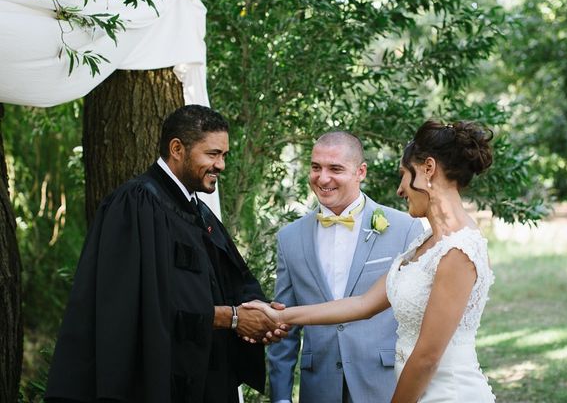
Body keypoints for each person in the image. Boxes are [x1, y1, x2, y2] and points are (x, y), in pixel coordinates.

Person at [45, 105, 287, 403]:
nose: (221, 165)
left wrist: (261, 313)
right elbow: (130, 308)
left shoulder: (199, 213)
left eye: (224, 155)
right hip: (156, 385)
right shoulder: (135, 205)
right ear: (177, 148)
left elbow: (230, 280)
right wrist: (233, 318)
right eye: (212, 154)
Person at [247, 120, 496, 402]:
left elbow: (427, 357)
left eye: (404, 174)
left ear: (428, 169)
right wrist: (279, 316)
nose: (401, 189)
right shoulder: (423, 244)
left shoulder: (458, 250)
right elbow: (363, 304)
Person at [267, 131, 424, 403]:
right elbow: (285, 328)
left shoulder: (404, 228)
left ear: (360, 172)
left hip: (385, 385)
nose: (322, 178)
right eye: (316, 167)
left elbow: (420, 318)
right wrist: (281, 397)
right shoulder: (289, 238)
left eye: (335, 169)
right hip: (319, 388)